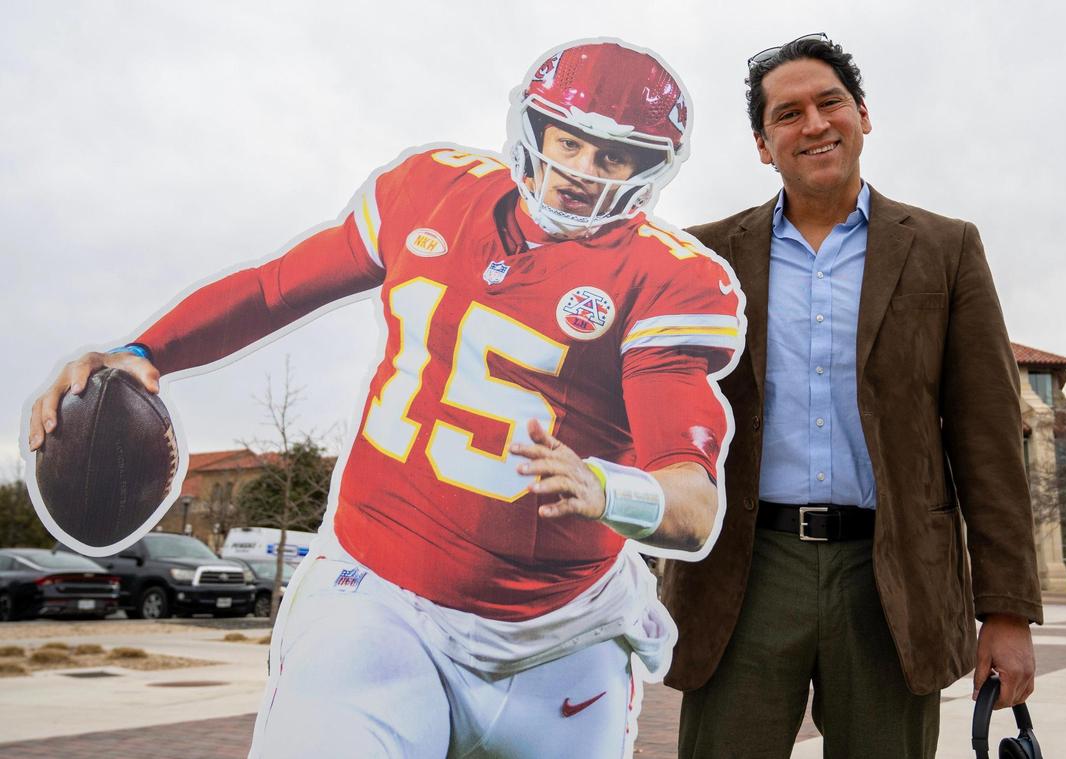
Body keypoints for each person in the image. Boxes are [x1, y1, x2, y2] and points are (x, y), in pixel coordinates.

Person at [25, 40, 743, 758]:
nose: (582, 172)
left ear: (649, 170)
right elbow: (274, 289)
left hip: (557, 638)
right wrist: (143, 351)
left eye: (613, 158)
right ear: (535, 129)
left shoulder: (667, 280)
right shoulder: (430, 191)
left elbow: (692, 503)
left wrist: (606, 487)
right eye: (570, 142)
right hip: (379, 594)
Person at [660, 34, 1042, 758]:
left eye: (830, 101)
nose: (813, 123)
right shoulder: (702, 257)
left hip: (891, 574)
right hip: (743, 573)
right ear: (763, 144)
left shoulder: (945, 248)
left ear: (863, 115)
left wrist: (1008, 611)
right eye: (787, 113)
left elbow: (988, 443)